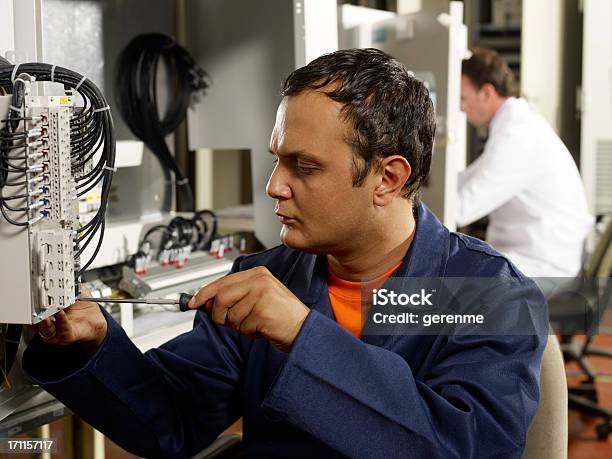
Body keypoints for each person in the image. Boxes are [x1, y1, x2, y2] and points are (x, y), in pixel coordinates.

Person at [24, 49, 546, 459]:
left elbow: (463, 448)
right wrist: (92, 344)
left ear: (388, 177)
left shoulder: (490, 292)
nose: (275, 186)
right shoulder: (266, 277)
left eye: (305, 166)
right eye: (279, 160)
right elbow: (172, 422)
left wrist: (301, 334)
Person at [457, 47, 593, 278]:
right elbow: (470, 178)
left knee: (450, 286)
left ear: (486, 93)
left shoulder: (517, 136)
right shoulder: (513, 127)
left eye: (463, 99)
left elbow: (463, 206)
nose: (461, 107)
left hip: (546, 266)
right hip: (532, 254)